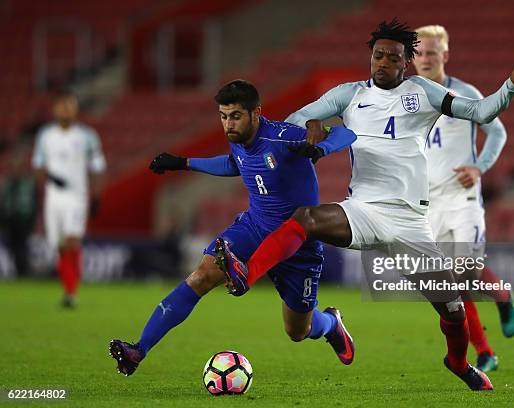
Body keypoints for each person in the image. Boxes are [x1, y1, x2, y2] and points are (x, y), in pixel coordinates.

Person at [219, 19, 514, 391]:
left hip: (410, 222)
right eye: (378, 55)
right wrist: (310, 126)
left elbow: (481, 112)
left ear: (407, 62)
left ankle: (458, 363)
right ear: (370, 58)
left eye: (393, 57)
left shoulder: (425, 91)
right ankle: (248, 272)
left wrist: (510, 87)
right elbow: (297, 118)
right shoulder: (349, 94)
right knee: (305, 218)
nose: (384, 63)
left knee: (453, 310)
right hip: (364, 210)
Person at [109, 80, 358, 376]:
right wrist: (184, 162)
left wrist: (322, 149)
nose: (228, 123)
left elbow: (347, 133)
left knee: (297, 331)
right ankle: (139, 350)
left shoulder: (282, 137)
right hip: (253, 228)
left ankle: (331, 323)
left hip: (297, 243)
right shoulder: (238, 139)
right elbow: (233, 164)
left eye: (236, 116)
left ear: (256, 113)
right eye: (223, 116)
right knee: (201, 275)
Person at [413, 24, 514, 373]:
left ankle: (502, 296)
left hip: (462, 199)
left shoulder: (464, 93)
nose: (424, 58)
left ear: (445, 55)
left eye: (431, 52)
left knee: (465, 271)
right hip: (430, 204)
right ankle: (485, 352)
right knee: (450, 285)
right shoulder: (409, 96)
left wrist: (478, 167)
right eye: (419, 52)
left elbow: (497, 131)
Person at [32, 91, 106, 308]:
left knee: (72, 240)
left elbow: (97, 167)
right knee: (61, 247)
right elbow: (38, 165)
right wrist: (46, 181)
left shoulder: (87, 136)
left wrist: (96, 195)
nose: (65, 110)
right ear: (55, 109)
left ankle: (71, 294)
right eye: (61, 106)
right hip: (53, 198)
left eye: (69, 105)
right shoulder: (45, 135)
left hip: (77, 196)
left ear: (75, 109)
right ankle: (68, 289)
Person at [0, 145, 38, 276]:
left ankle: (23, 270)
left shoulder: (28, 182)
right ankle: (19, 270)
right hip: (10, 219)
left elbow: (34, 202)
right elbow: (3, 202)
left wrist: (32, 220)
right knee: (13, 246)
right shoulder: (7, 182)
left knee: (22, 246)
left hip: (23, 219)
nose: (16, 168)